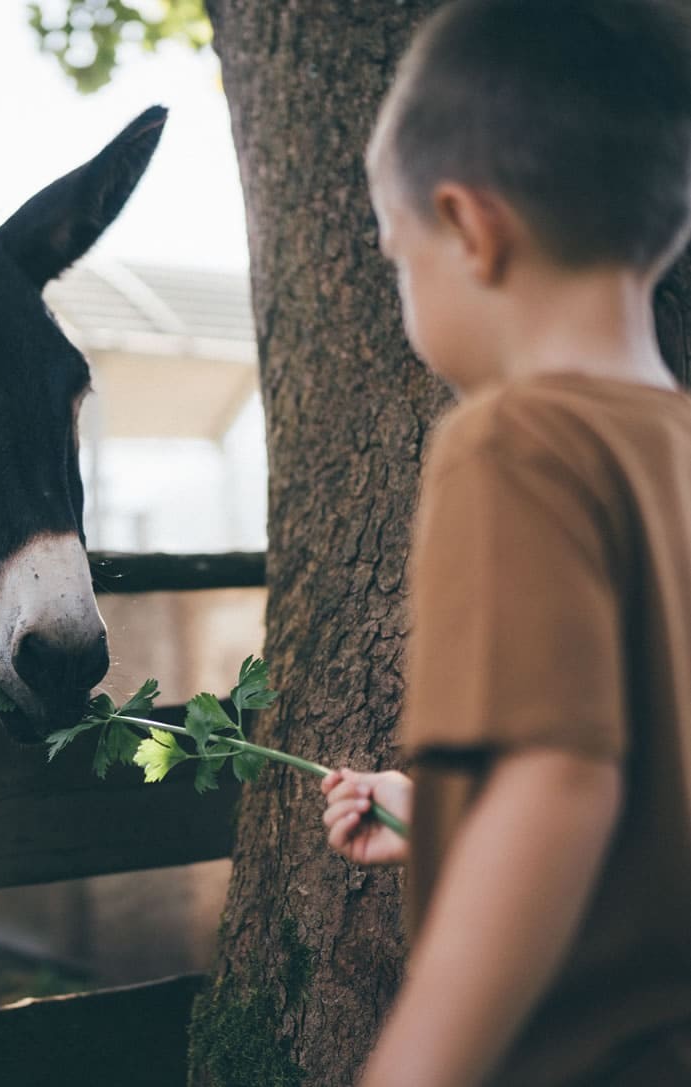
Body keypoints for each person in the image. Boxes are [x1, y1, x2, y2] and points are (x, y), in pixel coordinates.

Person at [320, 1, 691, 1084]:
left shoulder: (509, 441)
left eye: (397, 257)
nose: (403, 292)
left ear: (469, 230)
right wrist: (444, 812)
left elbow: (558, 783)